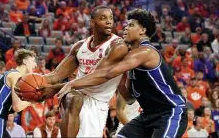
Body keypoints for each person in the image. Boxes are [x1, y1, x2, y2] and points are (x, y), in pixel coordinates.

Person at [58, 9, 187, 138]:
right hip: (147, 115)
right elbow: (130, 98)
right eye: (126, 25)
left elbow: (107, 73)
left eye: (131, 25)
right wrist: (118, 81)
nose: (125, 28)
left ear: (142, 31)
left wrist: (72, 84)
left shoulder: (145, 52)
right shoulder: (131, 58)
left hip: (171, 113)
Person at [42, 5, 129, 137]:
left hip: (98, 102)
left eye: (111, 18)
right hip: (76, 93)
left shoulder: (117, 46)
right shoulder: (79, 47)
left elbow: (99, 77)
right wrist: (33, 82)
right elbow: (55, 75)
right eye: (103, 18)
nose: (109, 21)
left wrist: (58, 87)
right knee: (74, 98)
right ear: (93, 22)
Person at [0, 49, 38, 138]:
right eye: (33, 61)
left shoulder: (10, 73)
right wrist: (33, 100)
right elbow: (17, 107)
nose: (35, 64)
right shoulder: (16, 75)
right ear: (25, 61)